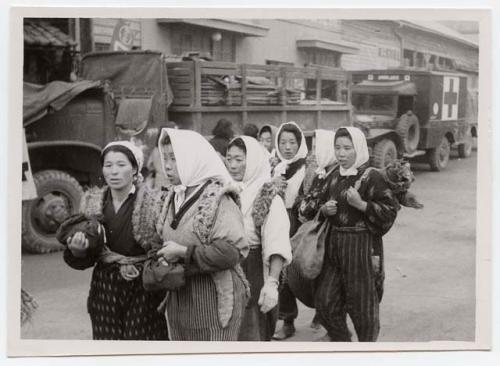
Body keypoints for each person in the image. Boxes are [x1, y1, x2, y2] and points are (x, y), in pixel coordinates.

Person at [61, 141, 168, 340]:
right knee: (107, 344)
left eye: (121, 165)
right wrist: (78, 251)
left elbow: (161, 248)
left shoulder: (155, 203)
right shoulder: (92, 203)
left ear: (135, 168)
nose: (114, 172)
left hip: (142, 287)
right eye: (108, 165)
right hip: (105, 287)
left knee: (141, 346)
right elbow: (87, 257)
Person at [155, 128, 249, 341]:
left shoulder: (219, 199)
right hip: (181, 296)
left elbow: (231, 252)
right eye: (165, 157)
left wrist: (182, 252)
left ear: (192, 159)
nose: (167, 165)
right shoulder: (173, 197)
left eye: (175, 158)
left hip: (213, 297)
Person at [314, 127, 399, 342]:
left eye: (347, 148)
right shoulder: (333, 175)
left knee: (363, 308)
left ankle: (366, 351)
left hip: (360, 247)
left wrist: (361, 205)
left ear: (358, 149)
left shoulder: (371, 177)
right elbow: (313, 204)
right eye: (337, 148)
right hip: (334, 245)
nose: (341, 153)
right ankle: (343, 343)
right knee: (325, 303)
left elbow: (390, 211)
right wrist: (324, 209)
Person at [226, 136, 292, 341]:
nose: (233, 165)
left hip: (252, 270)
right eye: (229, 159)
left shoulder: (268, 197)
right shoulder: (228, 190)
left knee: (252, 330)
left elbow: (277, 243)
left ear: (253, 160)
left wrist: (271, 283)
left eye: (239, 159)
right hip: (227, 267)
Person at [270, 121, 308, 340]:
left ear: (300, 143)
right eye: (283, 142)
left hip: (297, 222)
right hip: (278, 220)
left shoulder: (306, 169)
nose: (287, 147)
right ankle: (288, 320)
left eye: (292, 142)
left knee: (304, 271)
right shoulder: (275, 167)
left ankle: (324, 312)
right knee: (281, 269)